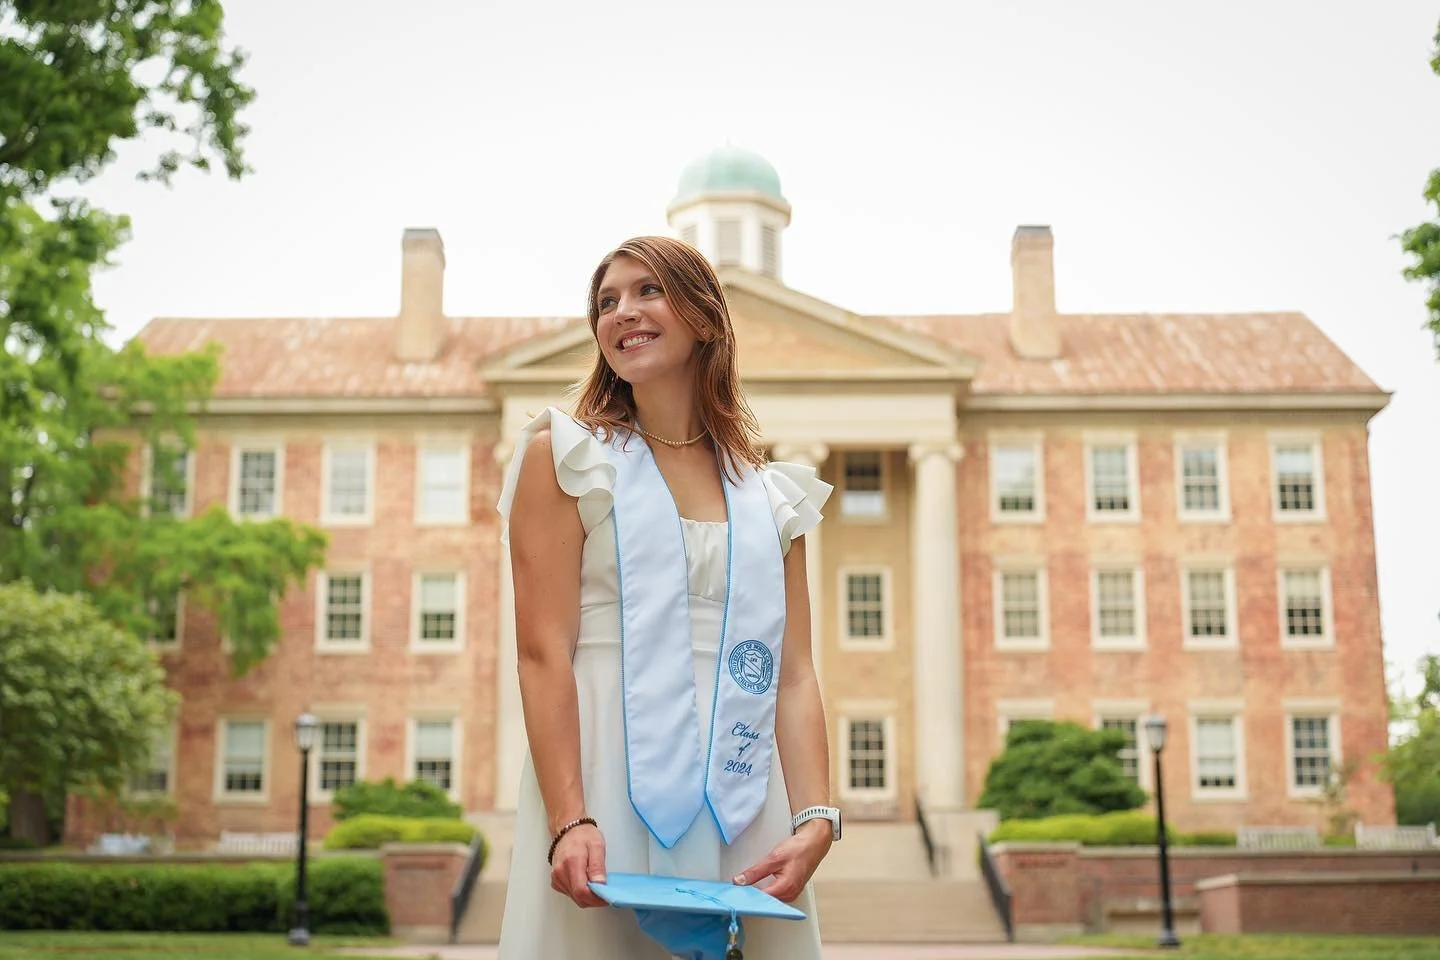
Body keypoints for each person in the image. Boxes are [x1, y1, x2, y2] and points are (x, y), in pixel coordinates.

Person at [495, 235, 839, 958]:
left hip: (741, 788)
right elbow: (541, 651)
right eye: (606, 301)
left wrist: (814, 820)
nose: (623, 311)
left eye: (647, 290)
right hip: (604, 777)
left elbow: (795, 672)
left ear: (706, 318)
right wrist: (568, 817)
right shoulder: (567, 460)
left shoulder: (771, 498)